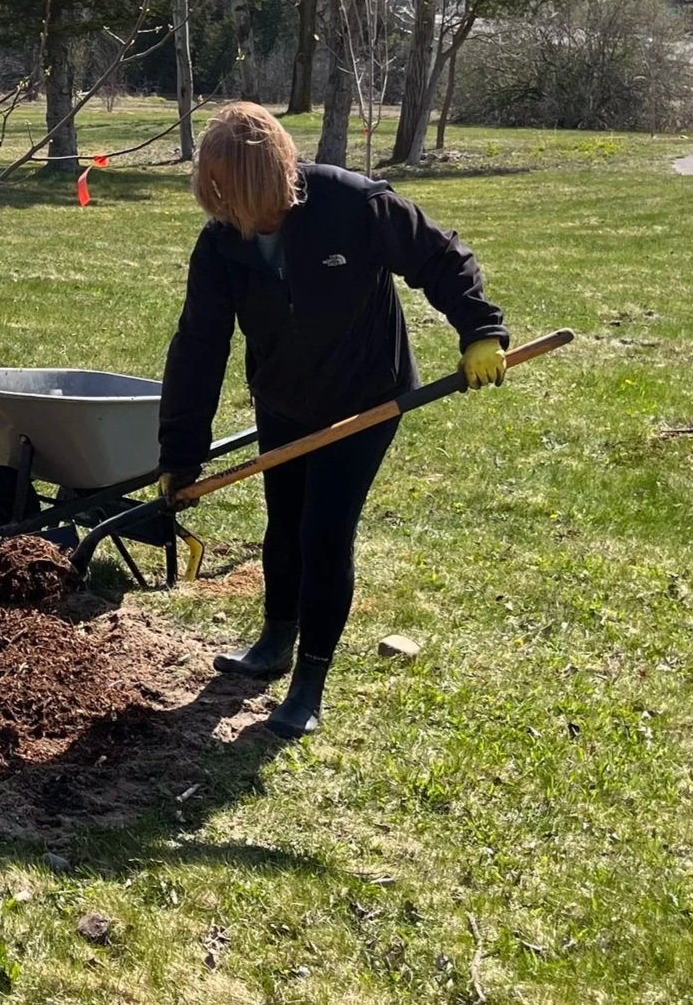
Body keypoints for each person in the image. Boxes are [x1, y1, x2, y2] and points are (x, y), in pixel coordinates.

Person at [156, 102, 509, 739]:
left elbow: (440, 257)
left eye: (239, 192)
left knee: (324, 531)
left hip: (365, 398)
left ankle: (309, 682)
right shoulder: (221, 245)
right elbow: (198, 346)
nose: (232, 208)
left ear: (273, 176)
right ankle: (275, 640)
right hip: (284, 398)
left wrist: (480, 331)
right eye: (219, 194)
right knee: (284, 526)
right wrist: (181, 452)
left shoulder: (352, 205)